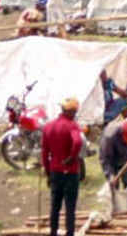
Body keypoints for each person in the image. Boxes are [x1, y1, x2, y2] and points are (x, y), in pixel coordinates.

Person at [42, 97, 83, 236]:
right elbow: (77, 142)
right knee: (70, 208)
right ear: (71, 112)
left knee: (55, 206)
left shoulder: (48, 127)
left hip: (55, 170)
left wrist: (48, 173)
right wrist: (72, 157)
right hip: (70, 172)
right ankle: (69, 233)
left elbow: (44, 153)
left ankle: (53, 232)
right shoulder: (72, 126)